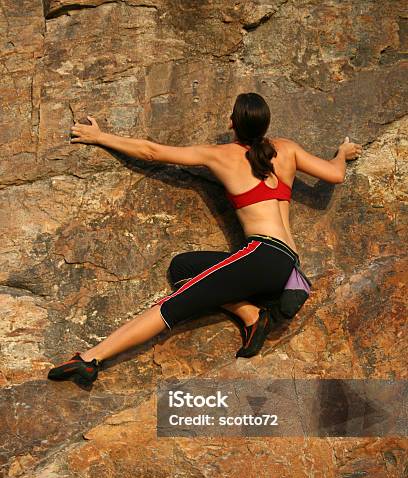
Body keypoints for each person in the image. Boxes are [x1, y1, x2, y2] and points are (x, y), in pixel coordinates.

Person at [47, 92, 362, 384]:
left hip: (261, 255)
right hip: (287, 262)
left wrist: (101, 137)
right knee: (183, 267)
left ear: (232, 123)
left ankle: (91, 359)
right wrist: (341, 154)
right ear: (266, 124)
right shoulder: (287, 149)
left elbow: (152, 152)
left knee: (175, 304)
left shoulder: (221, 155)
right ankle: (253, 315)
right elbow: (335, 174)